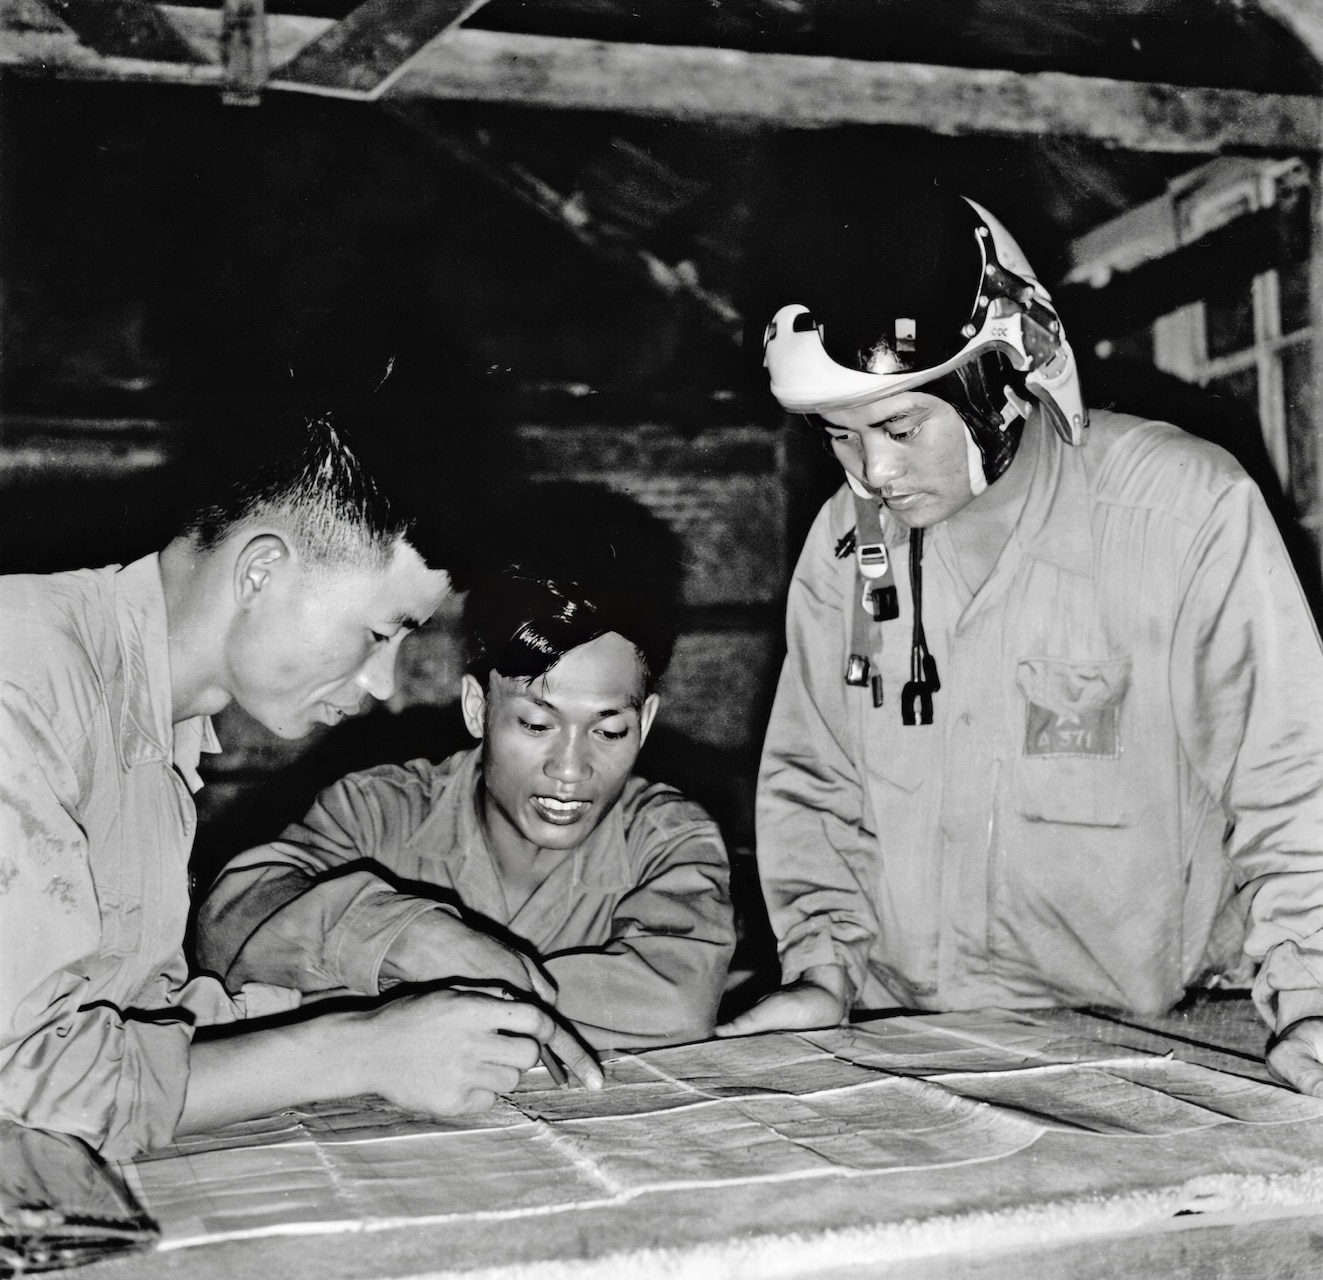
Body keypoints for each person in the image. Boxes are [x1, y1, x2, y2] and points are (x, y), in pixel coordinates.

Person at [715, 184, 1323, 1096]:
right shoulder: (847, 547)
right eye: (838, 436)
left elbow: (1294, 779)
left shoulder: (1183, 512)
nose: (871, 472)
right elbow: (816, 782)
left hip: (1151, 1041)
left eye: (899, 426)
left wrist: (1311, 993)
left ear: (1000, 377)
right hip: (904, 1040)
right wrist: (820, 970)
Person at [0, 417, 601, 1161]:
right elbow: (26, 1084)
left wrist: (399, 1006)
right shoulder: (20, 678)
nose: (383, 684)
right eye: (382, 634)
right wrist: (361, 1048)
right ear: (260, 573)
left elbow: (135, 1030)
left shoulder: (154, 725)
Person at [195, 558, 735, 1050]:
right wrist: (411, 938)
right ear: (477, 709)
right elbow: (228, 926)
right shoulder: (377, 812)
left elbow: (679, 1003)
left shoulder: (666, 838)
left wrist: (425, 996)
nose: (570, 769)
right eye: (536, 724)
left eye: (610, 730)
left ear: (644, 725)